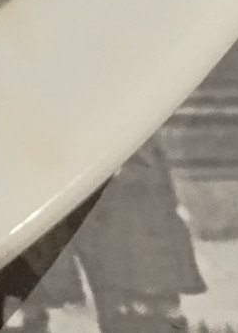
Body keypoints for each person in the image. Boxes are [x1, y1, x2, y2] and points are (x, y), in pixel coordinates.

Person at [64, 136, 204, 333]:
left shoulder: (143, 144)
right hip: (114, 225)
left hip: (143, 225)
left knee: (150, 295)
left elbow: (157, 173)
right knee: (117, 298)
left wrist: (173, 204)